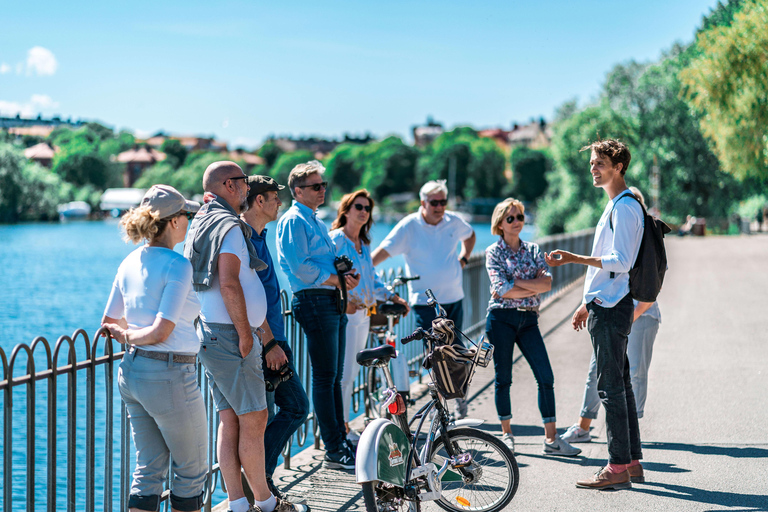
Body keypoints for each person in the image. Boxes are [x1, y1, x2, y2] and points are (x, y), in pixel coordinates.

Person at [184, 161, 307, 512]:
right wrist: (246, 334)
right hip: (231, 336)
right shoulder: (229, 226)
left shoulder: (202, 220)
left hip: (212, 332)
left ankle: (238, 504)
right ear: (229, 185)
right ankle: (266, 504)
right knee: (255, 419)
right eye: (242, 181)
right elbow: (229, 282)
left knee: (231, 422)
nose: (247, 187)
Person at [545, 139, 644, 490]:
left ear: (618, 167)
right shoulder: (617, 205)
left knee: (611, 390)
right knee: (621, 387)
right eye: (591, 162)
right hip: (609, 304)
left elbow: (621, 262)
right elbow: (613, 271)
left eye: (600, 163)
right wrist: (588, 301)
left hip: (612, 309)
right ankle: (631, 463)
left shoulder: (624, 208)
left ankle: (616, 467)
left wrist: (574, 259)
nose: (593, 168)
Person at [101, 185, 207, 512]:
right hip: (169, 374)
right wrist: (131, 336)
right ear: (173, 221)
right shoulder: (178, 264)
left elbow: (109, 321)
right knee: (191, 471)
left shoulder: (129, 261)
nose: (189, 221)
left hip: (132, 373)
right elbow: (162, 330)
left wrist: (128, 335)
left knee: (148, 471)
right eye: (187, 215)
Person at [276, 161, 360, 470]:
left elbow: (319, 264)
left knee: (333, 377)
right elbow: (300, 267)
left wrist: (344, 277)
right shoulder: (293, 220)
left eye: (323, 185)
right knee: (326, 378)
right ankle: (334, 449)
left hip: (329, 299)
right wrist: (337, 279)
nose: (322, 189)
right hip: (314, 301)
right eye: (315, 186)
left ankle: (339, 440)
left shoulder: (314, 220)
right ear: (298, 191)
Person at [562, 187, 661, 450]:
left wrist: (575, 259)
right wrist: (587, 304)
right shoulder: (616, 226)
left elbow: (648, 292)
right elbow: (606, 280)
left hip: (639, 315)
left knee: (630, 376)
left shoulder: (639, 233)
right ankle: (585, 427)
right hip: (615, 312)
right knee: (601, 372)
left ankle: (627, 440)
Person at [484, 198, 581, 457]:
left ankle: (552, 440)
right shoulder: (493, 252)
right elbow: (501, 290)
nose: (517, 222)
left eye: (520, 217)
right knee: (503, 378)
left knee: (545, 376)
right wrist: (530, 286)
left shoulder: (533, 249)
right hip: (501, 319)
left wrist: (514, 282)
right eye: (510, 218)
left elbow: (546, 284)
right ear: (500, 224)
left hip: (528, 320)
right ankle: (506, 435)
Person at [371, 179, 475, 419]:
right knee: (436, 355)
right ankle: (441, 409)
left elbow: (470, 236)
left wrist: (464, 258)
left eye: (442, 202)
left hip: (453, 298)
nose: (439, 207)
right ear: (422, 202)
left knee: (456, 353)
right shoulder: (409, 226)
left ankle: (459, 400)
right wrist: (364, 269)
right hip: (424, 303)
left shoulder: (453, 221)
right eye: (433, 202)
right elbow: (383, 252)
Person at [241, 175, 310, 499]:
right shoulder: (246, 240)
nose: (280, 203)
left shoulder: (258, 236)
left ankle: (259, 482)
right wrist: (269, 343)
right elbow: (247, 298)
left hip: (273, 339)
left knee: (272, 413)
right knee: (295, 407)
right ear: (259, 201)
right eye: (274, 197)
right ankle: (259, 482)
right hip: (267, 342)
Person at [329, 189, 410, 443]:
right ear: (346, 211)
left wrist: (392, 296)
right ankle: (341, 428)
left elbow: (372, 279)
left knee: (352, 372)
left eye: (367, 208)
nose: (363, 212)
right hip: (347, 314)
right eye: (358, 207)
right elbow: (327, 277)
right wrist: (343, 301)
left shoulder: (363, 244)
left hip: (364, 314)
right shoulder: (336, 240)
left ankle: (342, 424)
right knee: (344, 373)